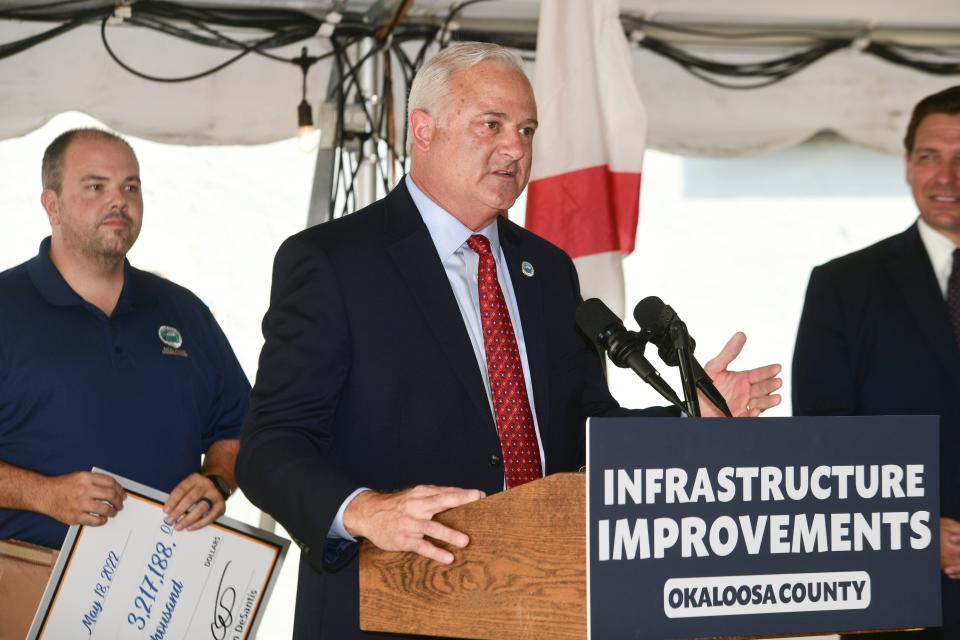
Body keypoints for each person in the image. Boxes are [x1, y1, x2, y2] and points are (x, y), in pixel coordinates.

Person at [237, 42, 782, 639]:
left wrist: (689, 419)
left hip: (538, 603)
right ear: (424, 129)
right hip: (390, 604)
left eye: (526, 130)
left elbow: (582, 429)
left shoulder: (547, 269)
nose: (515, 148)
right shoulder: (333, 262)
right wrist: (365, 510)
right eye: (491, 125)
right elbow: (270, 447)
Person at [0, 128, 249, 552]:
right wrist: (46, 494)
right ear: (52, 205)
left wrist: (218, 481)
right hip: (30, 577)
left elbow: (243, 429)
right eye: (95, 186)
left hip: (165, 582)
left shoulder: (183, 311)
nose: (119, 200)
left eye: (130, 186)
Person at [793, 86, 960, 639]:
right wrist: (911, 529)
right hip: (890, 587)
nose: (946, 177)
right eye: (930, 156)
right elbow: (822, 439)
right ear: (907, 164)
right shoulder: (843, 286)